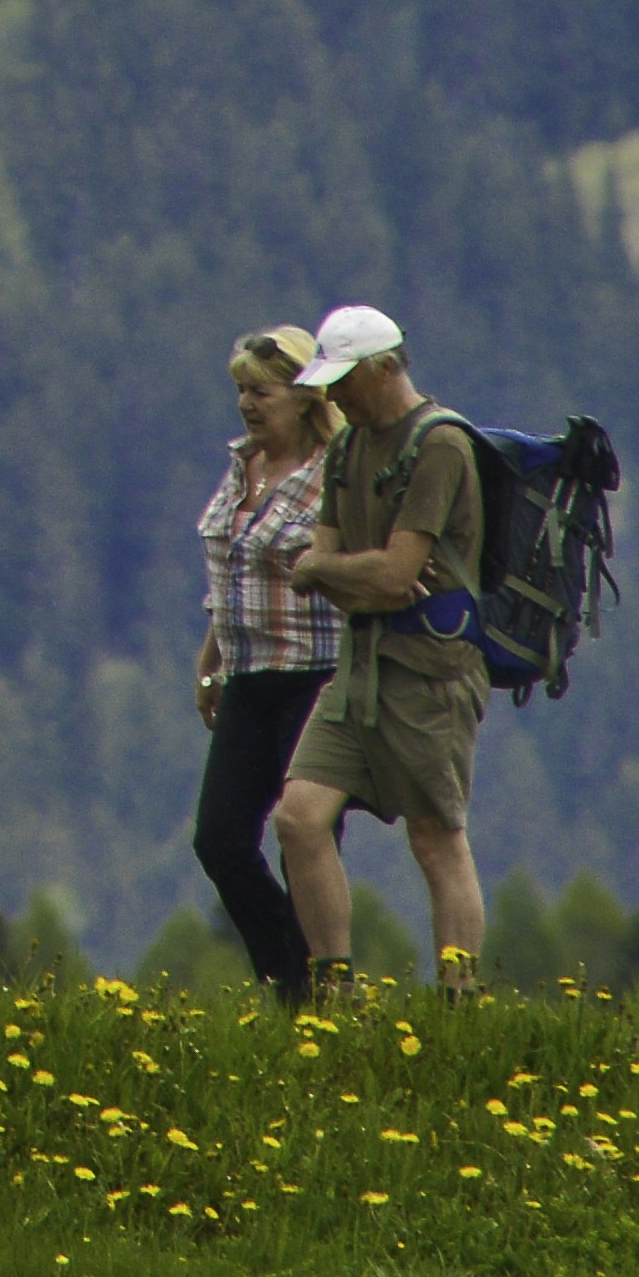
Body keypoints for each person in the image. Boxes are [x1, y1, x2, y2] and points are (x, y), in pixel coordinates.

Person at [273, 301, 493, 989]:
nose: (332, 395)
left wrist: (335, 572)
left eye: (343, 379)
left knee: (436, 838)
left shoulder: (440, 445)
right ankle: (334, 990)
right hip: (360, 665)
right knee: (299, 818)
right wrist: (349, 576)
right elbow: (339, 568)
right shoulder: (347, 445)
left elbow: (392, 573)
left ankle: (460, 1003)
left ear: (384, 368)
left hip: (430, 671)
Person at [184, 325, 341, 995]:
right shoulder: (242, 463)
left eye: (262, 392)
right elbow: (230, 568)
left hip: (316, 674)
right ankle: (292, 970)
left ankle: (308, 998)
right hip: (248, 674)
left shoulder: (332, 474)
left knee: (303, 838)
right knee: (219, 839)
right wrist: (210, 655)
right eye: (241, 390)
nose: (248, 404)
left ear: (303, 397)